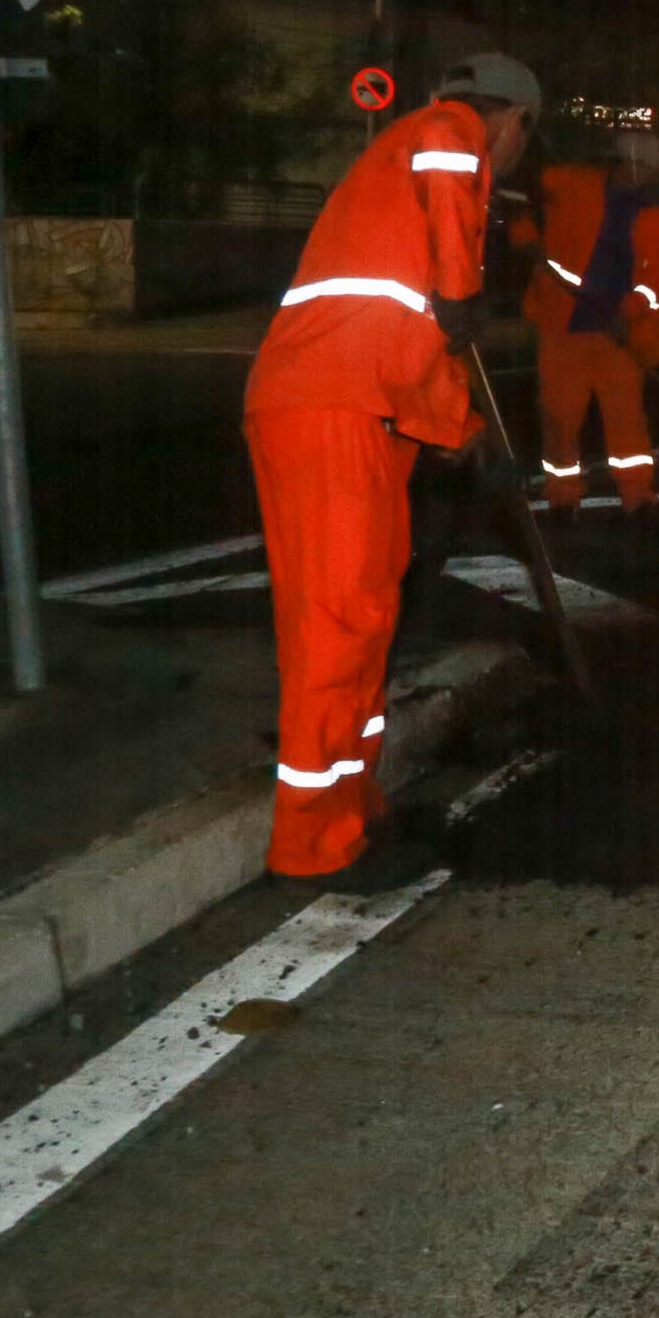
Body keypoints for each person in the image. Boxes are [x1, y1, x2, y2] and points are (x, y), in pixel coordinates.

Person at [242, 50, 537, 890]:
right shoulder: (446, 134)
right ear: (511, 120)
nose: (505, 157)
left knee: (367, 616)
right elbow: (449, 191)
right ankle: (310, 844)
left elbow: (418, 349)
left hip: (358, 411)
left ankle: (352, 805)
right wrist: (461, 286)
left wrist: (471, 434)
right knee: (336, 626)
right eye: (516, 140)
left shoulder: (407, 183)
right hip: (326, 408)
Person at [519, 129, 659, 514]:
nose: (654, 179)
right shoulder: (573, 184)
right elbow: (520, 193)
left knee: (626, 419)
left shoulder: (652, 217)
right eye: (649, 170)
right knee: (559, 416)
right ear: (629, 165)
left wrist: (629, 311)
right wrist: (523, 235)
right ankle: (562, 494)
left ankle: (638, 495)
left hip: (617, 336)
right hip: (564, 325)